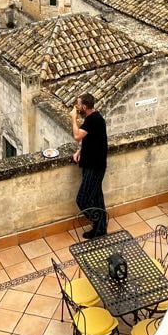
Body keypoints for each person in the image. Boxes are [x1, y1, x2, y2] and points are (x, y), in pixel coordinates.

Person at [71, 92, 108, 239]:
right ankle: (100, 229)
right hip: (92, 164)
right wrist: (80, 150)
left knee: (83, 199)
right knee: (97, 197)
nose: (77, 107)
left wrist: (73, 119)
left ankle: (98, 222)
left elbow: (77, 136)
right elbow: (91, 140)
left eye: (79, 104)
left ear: (84, 107)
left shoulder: (93, 120)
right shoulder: (93, 119)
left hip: (95, 166)